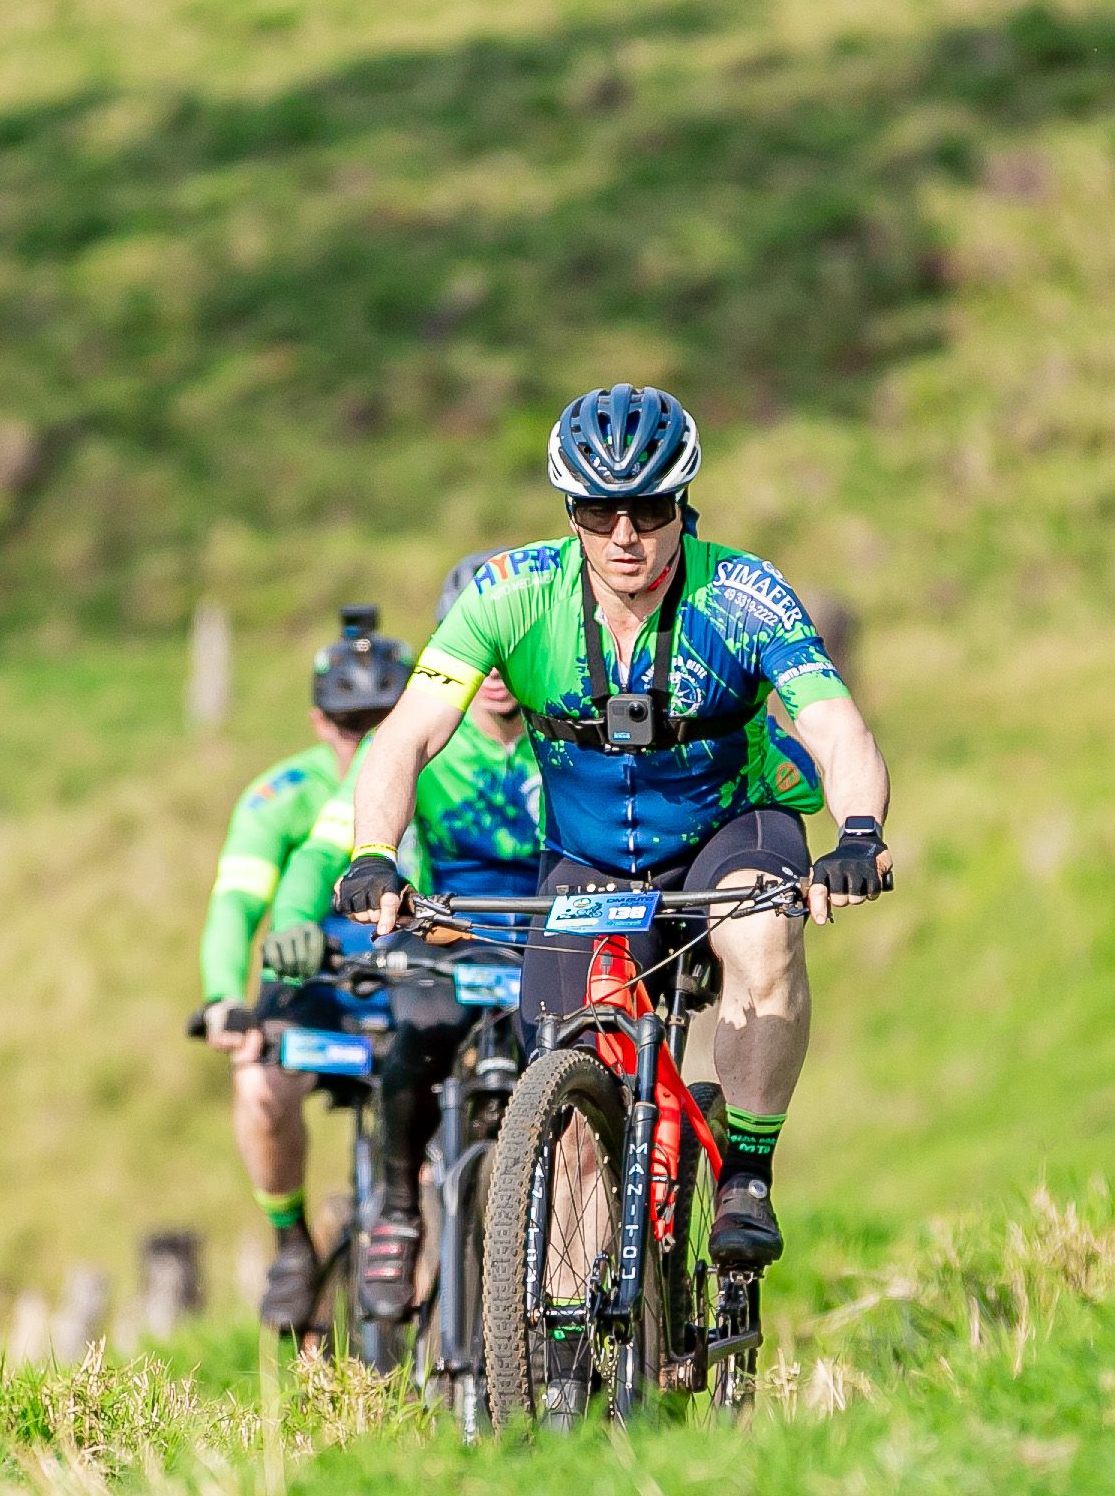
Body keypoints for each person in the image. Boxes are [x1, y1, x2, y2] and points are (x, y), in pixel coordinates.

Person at [333, 382, 892, 1274]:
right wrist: (371, 856)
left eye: (649, 509)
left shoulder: (742, 593)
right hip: (587, 857)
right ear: (571, 513)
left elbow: (834, 726)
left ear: (683, 502)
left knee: (762, 938)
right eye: (599, 513)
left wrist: (858, 833)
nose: (625, 536)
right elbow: (404, 738)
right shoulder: (511, 594)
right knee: (564, 1108)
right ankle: (571, 1331)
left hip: (730, 827)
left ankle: (747, 1170)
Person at [253, 556, 550, 1323]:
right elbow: (326, 848)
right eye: (481, 650)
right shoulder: (418, 738)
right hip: (451, 938)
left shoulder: (568, 732)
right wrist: (293, 926)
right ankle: (396, 1208)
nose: (497, 671)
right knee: (417, 1026)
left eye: (514, 650)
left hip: (551, 936)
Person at [194, 605, 417, 1331]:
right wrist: (225, 999)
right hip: (316, 984)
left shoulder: (438, 774)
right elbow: (236, 906)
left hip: (416, 975)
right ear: (321, 723)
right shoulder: (280, 797)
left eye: (385, 718)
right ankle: (291, 1242)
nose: (369, 738)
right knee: (259, 1083)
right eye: (352, 725)